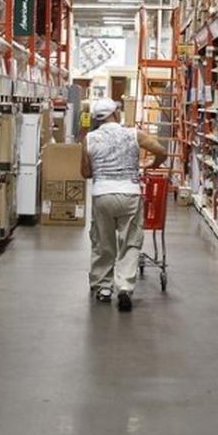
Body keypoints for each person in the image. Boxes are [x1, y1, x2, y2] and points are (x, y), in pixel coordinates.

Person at [81, 98, 167, 311]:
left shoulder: (89, 139)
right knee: (130, 242)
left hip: (103, 195)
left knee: (103, 242)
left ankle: (103, 288)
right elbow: (162, 151)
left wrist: (102, 168)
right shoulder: (133, 134)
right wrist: (150, 164)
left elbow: (85, 173)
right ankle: (125, 287)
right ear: (115, 114)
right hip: (130, 194)